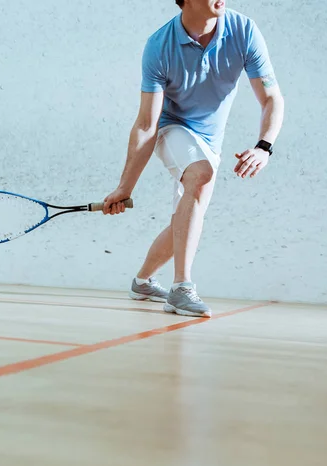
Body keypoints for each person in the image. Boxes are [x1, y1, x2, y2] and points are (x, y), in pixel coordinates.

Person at [102, 0, 284, 317]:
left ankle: (142, 281)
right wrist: (125, 187)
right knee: (200, 175)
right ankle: (181, 288)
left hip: (212, 141)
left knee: (186, 221)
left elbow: (271, 98)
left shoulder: (244, 30)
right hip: (172, 129)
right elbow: (146, 125)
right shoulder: (160, 45)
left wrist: (263, 146)